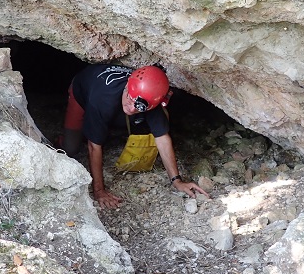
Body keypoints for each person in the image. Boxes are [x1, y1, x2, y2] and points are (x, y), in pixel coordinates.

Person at [61, 64, 210, 209]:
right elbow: (94, 146)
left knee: (134, 117)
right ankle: (59, 139)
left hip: (115, 100)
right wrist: (99, 191)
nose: (131, 108)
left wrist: (177, 181)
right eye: (130, 99)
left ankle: (114, 120)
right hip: (83, 90)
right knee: (71, 147)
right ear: (127, 87)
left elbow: (162, 138)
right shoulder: (102, 97)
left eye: (139, 107)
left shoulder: (148, 98)